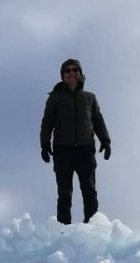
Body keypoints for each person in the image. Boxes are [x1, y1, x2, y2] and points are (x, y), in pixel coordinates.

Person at [39, 59, 111, 224]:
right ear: (63, 75)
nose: (71, 73)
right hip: (62, 150)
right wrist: (44, 144)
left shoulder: (89, 98)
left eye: (74, 70)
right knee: (64, 193)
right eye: (67, 71)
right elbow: (47, 122)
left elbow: (98, 120)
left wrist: (105, 141)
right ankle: (64, 229)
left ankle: (92, 227)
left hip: (85, 149)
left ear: (79, 74)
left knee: (89, 191)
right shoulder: (55, 98)